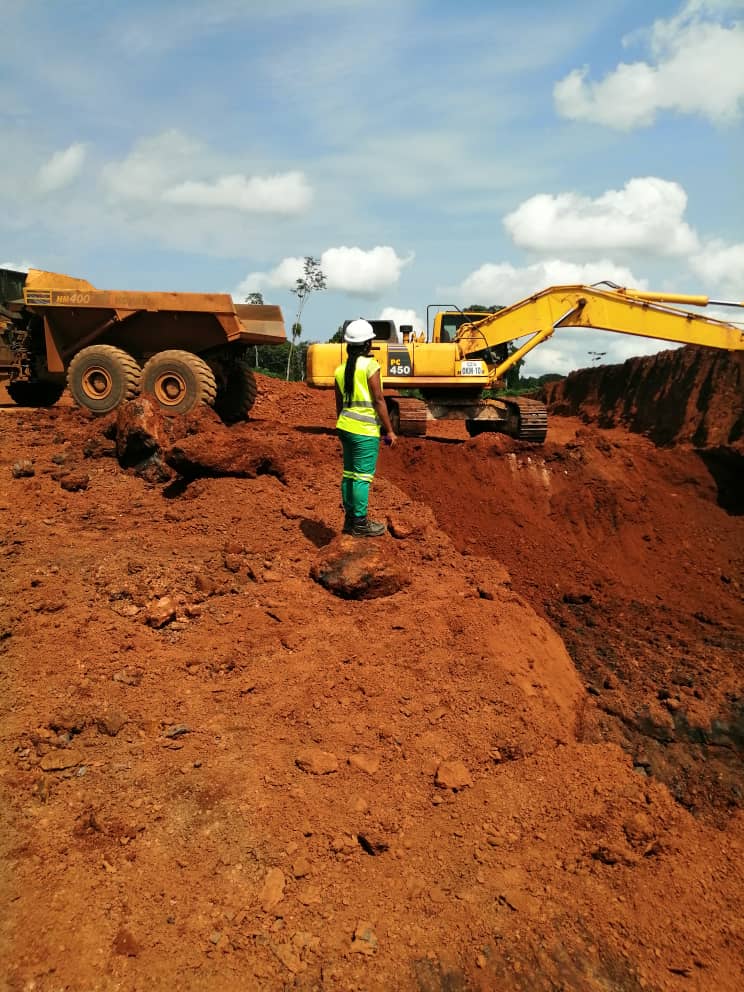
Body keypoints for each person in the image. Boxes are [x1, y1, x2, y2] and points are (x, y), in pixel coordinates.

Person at [334, 319, 397, 537]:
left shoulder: (340, 370)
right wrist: (389, 430)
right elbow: (379, 400)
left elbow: (339, 405)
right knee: (362, 478)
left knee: (349, 475)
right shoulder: (370, 366)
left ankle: (350, 521)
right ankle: (360, 524)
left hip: (345, 427)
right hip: (364, 431)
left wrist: (344, 425)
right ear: (368, 344)